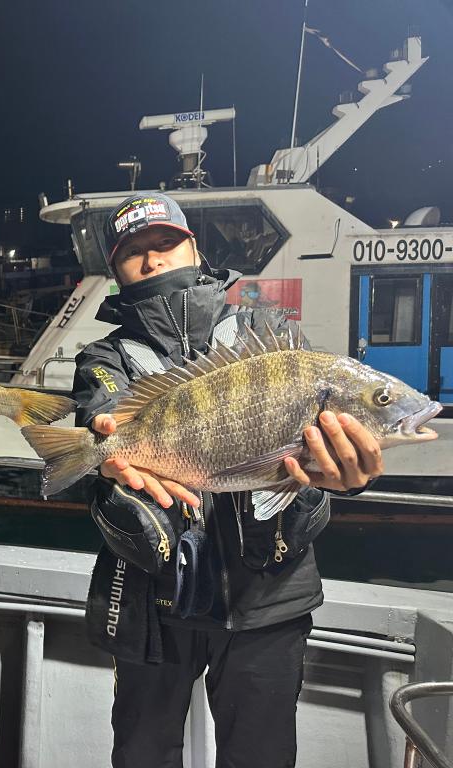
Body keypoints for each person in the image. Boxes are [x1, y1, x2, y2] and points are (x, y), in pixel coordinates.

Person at [74, 193, 383, 768]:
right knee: (141, 755)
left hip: (269, 597)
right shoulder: (103, 356)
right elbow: (104, 414)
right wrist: (106, 452)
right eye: (133, 252)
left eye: (165, 242)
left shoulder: (267, 330)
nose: (152, 259)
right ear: (115, 270)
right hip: (151, 597)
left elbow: (319, 437)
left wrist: (348, 475)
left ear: (194, 248)